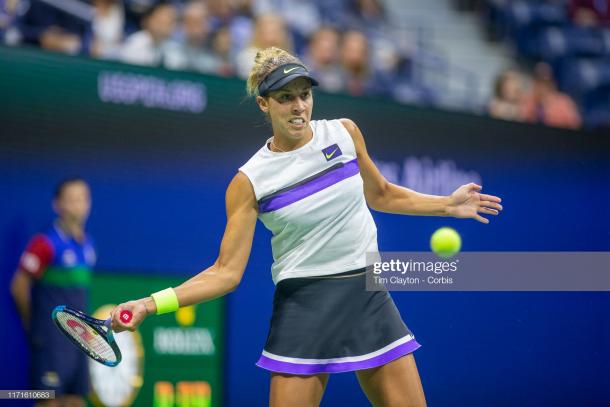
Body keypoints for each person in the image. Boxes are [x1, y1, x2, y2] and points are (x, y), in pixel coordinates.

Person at [110, 47, 503, 406]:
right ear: (264, 104)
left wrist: (447, 206)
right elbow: (225, 274)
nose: (299, 106)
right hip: (303, 308)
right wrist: (148, 303)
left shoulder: (345, 133)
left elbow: (381, 194)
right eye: (285, 98)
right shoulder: (249, 181)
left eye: (305, 94)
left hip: (367, 295)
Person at [11, 178, 95, 407]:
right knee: (48, 400)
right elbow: (19, 286)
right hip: (52, 339)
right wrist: (35, 323)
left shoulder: (87, 245)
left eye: (82, 198)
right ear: (57, 205)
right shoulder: (44, 244)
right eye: (71, 199)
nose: (78, 205)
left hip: (79, 338)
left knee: (76, 400)